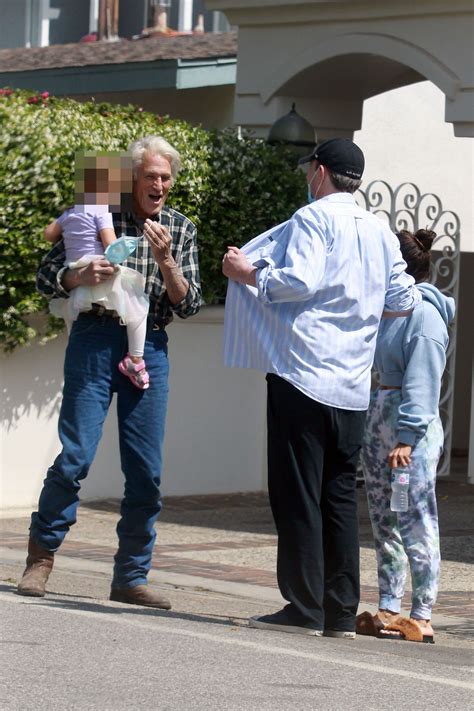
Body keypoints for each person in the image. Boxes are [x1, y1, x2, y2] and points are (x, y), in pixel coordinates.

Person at [222, 138, 420, 638]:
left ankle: (303, 608)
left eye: (310, 167)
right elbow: (401, 298)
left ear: (321, 171)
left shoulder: (313, 219)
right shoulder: (379, 230)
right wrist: (360, 313)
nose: (307, 175)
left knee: (296, 493)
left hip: (304, 372)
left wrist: (249, 273)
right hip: (353, 384)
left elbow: (299, 282)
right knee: (337, 497)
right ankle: (339, 612)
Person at [16, 135, 201, 608]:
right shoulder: (98, 210)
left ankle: (131, 577)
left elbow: (190, 304)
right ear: (132, 180)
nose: (158, 184)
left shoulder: (179, 228)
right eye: (150, 177)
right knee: (76, 454)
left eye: (165, 178)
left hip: (149, 346)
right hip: (96, 339)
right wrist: (77, 277)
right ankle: (40, 558)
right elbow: (45, 274)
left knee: (146, 470)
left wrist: (167, 262)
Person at [357, 229, 455, 643]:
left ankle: (423, 612)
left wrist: (407, 438)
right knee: (385, 519)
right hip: (380, 426)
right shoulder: (385, 310)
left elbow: (423, 380)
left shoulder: (425, 316)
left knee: (415, 517)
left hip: (408, 437)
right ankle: (390, 606)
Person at [44, 151, 151, 389]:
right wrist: (127, 247)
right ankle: (136, 359)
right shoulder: (101, 211)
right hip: (99, 270)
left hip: (73, 266)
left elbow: (48, 234)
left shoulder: (69, 213)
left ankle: (77, 353)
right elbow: (111, 245)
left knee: (71, 318)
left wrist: (67, 225)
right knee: (138, 307)